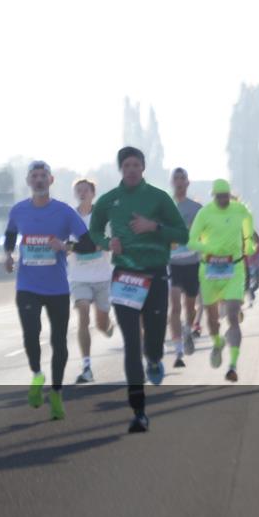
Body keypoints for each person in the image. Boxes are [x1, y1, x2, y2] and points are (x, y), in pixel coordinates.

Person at [88, 147, 188, 433]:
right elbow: (94, 231)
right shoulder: (109, 200)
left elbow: (182, 234)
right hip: (124, 277)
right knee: (131, 342)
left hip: (155, 275)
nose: (131, 169)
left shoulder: (158, 198)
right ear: (121, 169)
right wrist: (108, 244)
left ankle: (155, 358)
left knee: (153, 339)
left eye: (136, 164)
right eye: (127, 165)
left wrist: (153, 226)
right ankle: (138, 411)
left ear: (143, 167)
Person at [4, 161, 98, 420]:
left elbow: (89, 244)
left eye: (43, 175)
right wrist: (8, 255)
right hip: (27, 285)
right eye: (34, 175)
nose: (39, 180)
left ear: (51, 180)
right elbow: (11, 233)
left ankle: (56, 391)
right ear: (28, 181)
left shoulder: (65, 212)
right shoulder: (19, 210)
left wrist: (65, 246)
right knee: (31, 334)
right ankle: (37, 374)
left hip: (57, 287)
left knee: (58, 341)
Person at [187, 179, 256, 383]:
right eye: (219, 196)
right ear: (213, 196)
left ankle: (233, 366)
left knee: (233, 316)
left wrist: (249, 244)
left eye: (226, 196)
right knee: (212, 320)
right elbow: (191, 241)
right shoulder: (205, 213)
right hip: (209, 271)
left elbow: (248, 233)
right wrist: (209, 249)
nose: (224, 200)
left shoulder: (241, 210)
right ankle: (217, 343)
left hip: (234, 269)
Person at [68, 178, 114, 384]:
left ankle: (108, 325)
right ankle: (86, 367)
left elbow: (107, 243)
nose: (82, 193)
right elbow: (64, 243)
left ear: (93, 193)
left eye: (86, 190)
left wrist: (85, 246)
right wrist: (83, 246)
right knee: (83, 315)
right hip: (79, 277)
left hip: (103, 276)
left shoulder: (102, 216)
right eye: (79, 190)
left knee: (101, 325)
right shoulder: (70, 217)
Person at [167, 167, 203, 367]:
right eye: (176, 178)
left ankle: (188, 329)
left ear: (187, 183)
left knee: (190, 306)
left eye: (183, 178)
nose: (179, 182)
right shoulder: (165, 207)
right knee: (174, 305)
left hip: (192, 262)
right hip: (172, 263)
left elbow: (206, 233)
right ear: (171, 183)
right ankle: (178, 351)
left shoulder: (197, 209)